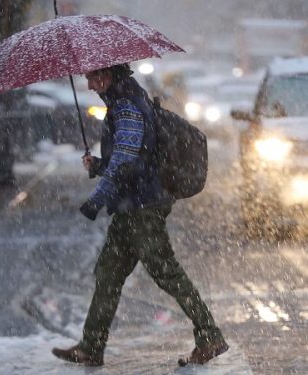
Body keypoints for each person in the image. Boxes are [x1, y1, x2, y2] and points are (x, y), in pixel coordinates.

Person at [52, 64, 228, 366]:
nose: (90, 84)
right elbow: (128, 159)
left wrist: (96, 200)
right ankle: (91, 346)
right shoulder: (124, 102)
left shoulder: (128, 108)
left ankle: (210, 336)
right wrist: (98, 165)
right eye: (88, 78)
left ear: (110, 75)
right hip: (130, 206)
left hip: (143, 207)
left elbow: (125, 162)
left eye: (94, 77)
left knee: (166, 273)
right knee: (108, 273)